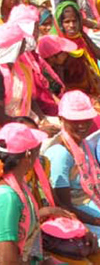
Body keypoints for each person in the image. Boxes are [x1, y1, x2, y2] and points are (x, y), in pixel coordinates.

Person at [0, 121, 68, 263]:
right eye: (38, 150)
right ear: (28, 155)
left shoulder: (16, 183)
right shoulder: (7, 197)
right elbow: (7, 260)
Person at [47, 90, 100, 237]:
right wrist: (95, 221)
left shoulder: (85, 145)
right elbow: (64, 205)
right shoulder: (60, 153)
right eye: (75, 121)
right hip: (79, 214)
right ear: (61, 119)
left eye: (86, 119)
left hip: (92, 204)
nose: (82, 125)